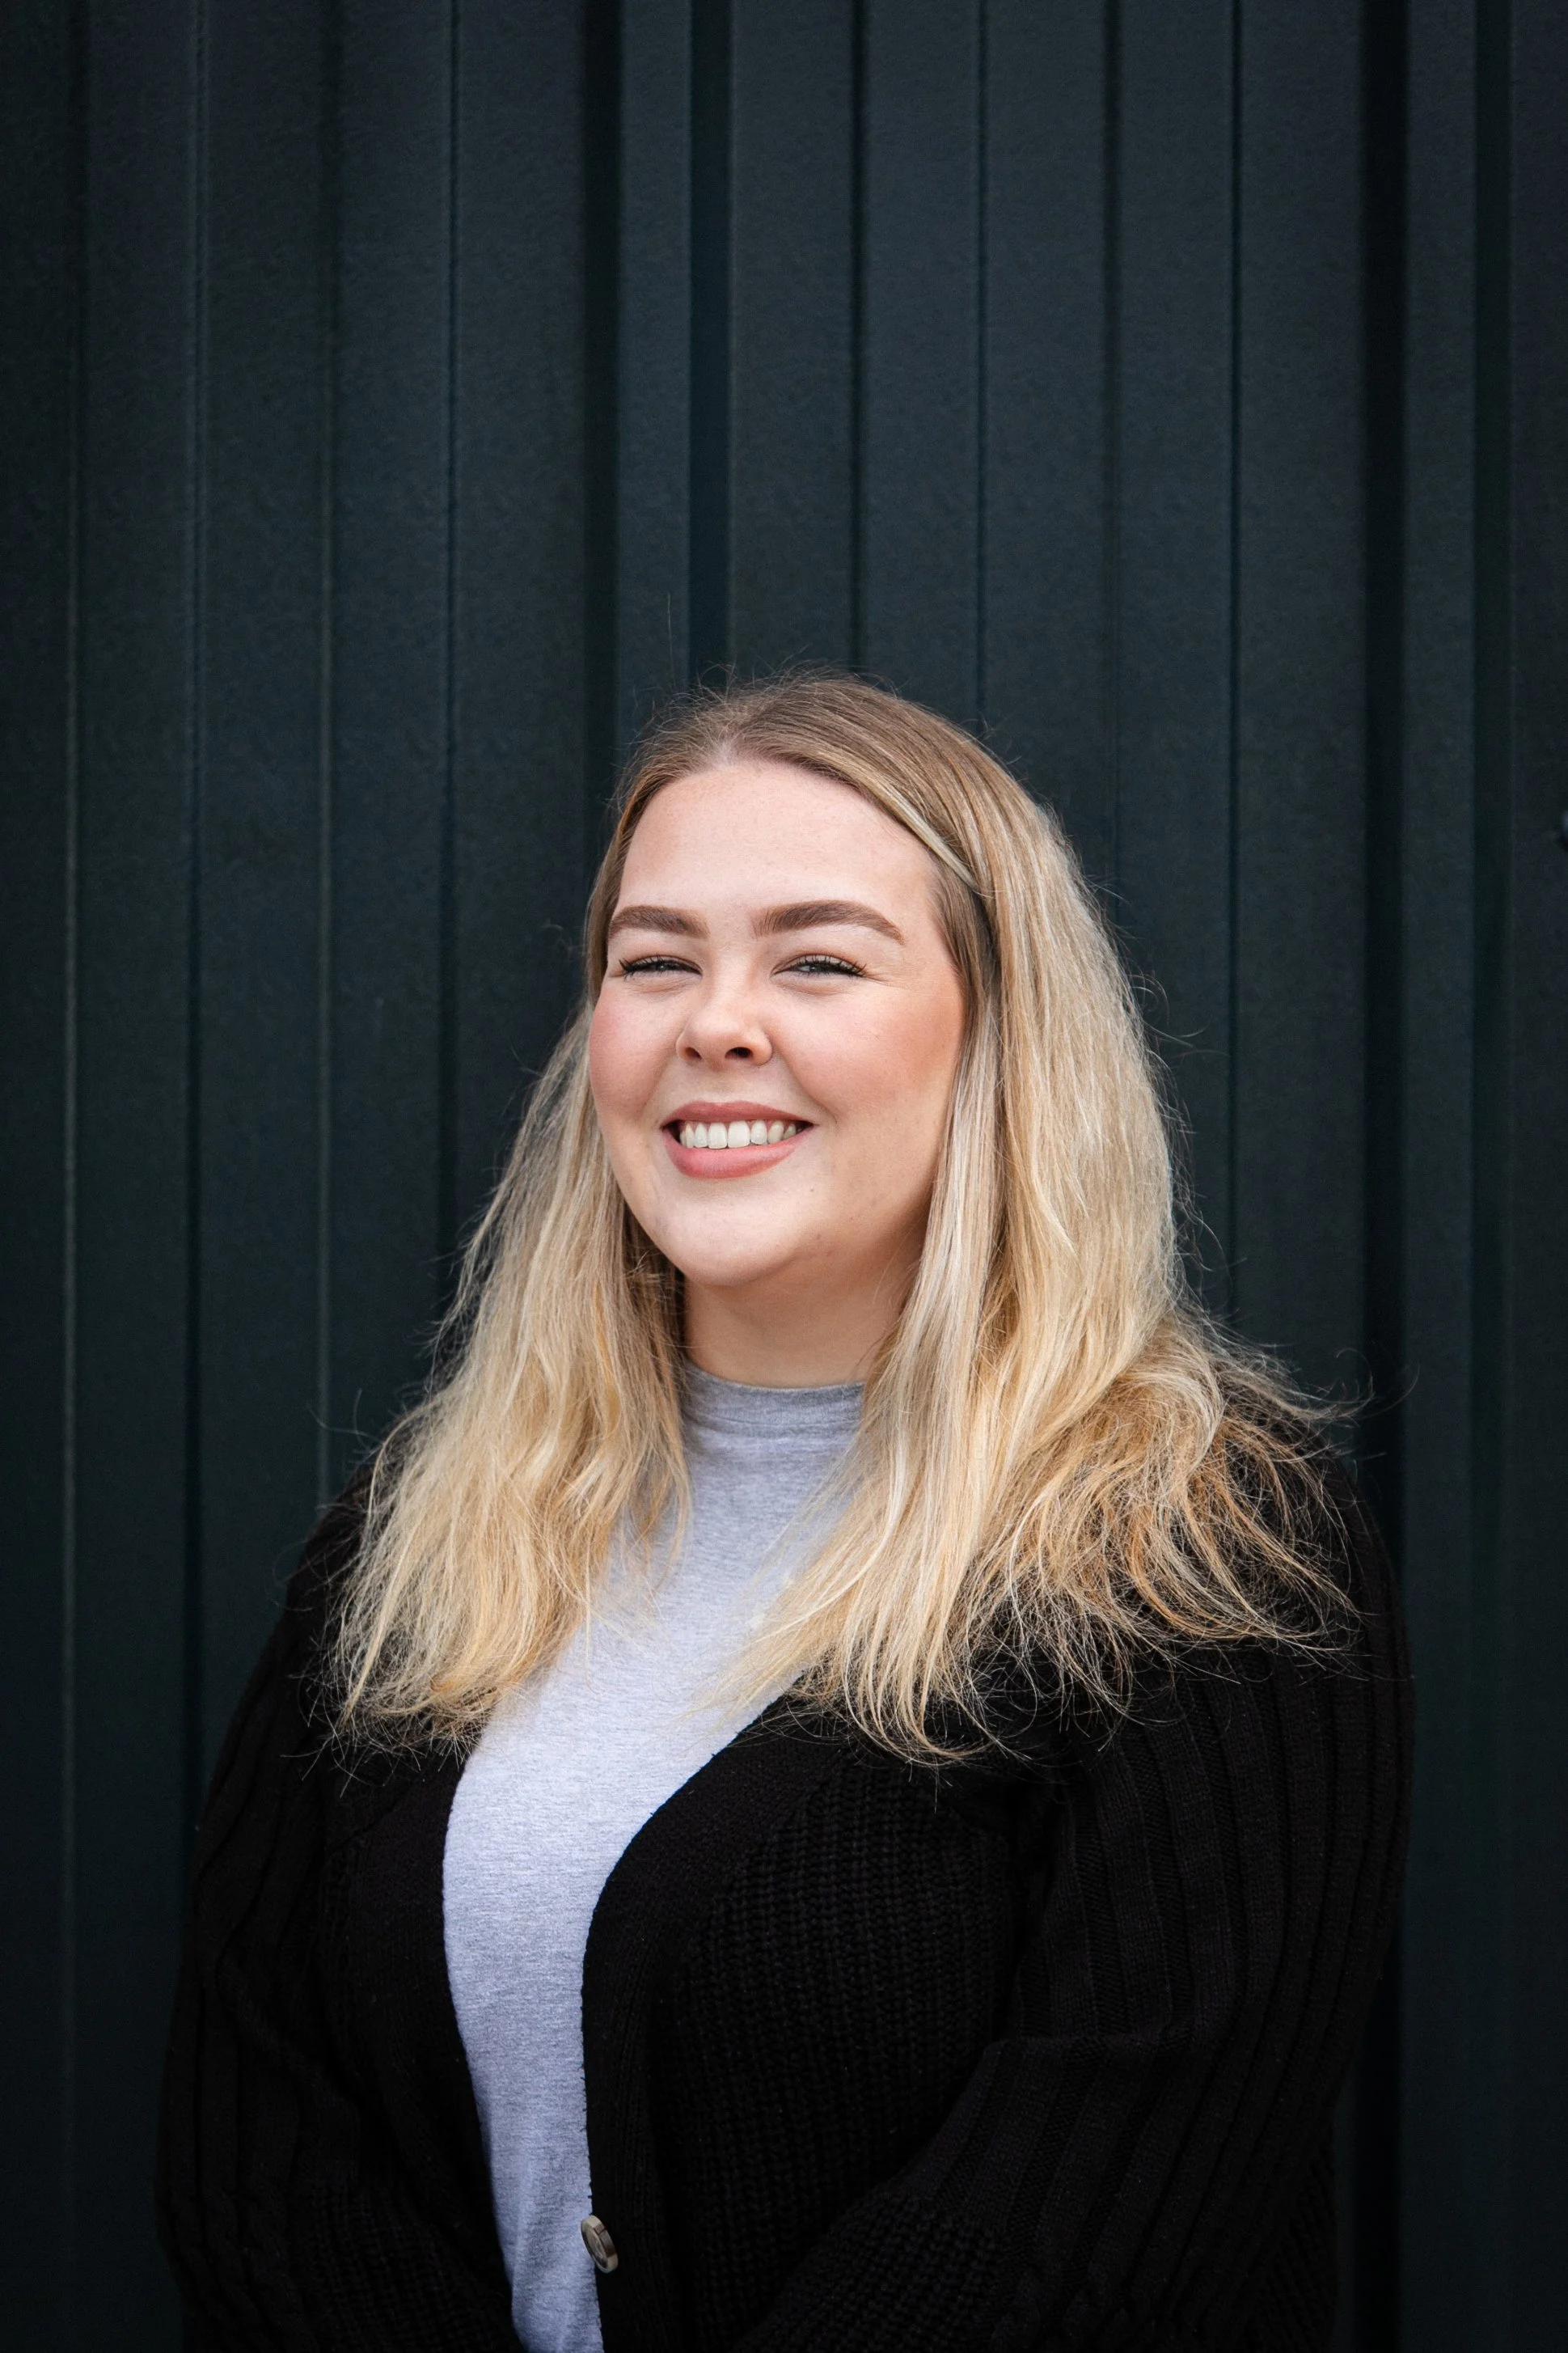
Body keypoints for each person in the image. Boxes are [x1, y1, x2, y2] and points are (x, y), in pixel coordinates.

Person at [158, 672, 1410, 2353]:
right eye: (654, 957)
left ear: (998, 1035)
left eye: (818, 958)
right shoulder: (422, 1532)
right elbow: (255, 2132)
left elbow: (1096, 2213)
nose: (715, 1021)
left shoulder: (1200, 1554)